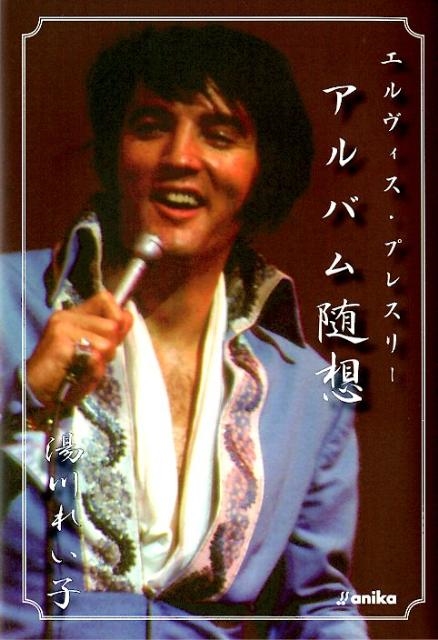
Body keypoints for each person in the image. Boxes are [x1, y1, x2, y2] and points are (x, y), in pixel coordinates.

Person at [0, 24, 368, 639]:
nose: (180, 157)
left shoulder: (311, 392)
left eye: (219, 136)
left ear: (264, 170)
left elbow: (318, 607)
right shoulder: (7, 306)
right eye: (150, 126)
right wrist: (24, 402)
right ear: (114, 150)